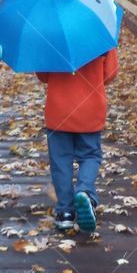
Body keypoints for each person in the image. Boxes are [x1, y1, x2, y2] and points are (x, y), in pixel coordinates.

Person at [36, 48, 119, 233]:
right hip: (90, 108)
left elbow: (43, 75)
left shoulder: (51, 33)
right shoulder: (101, 32)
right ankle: (85, 191)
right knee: (90, 155)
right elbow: (110, 74)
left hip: (59, 111)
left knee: (60, 161)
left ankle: (65, 213)